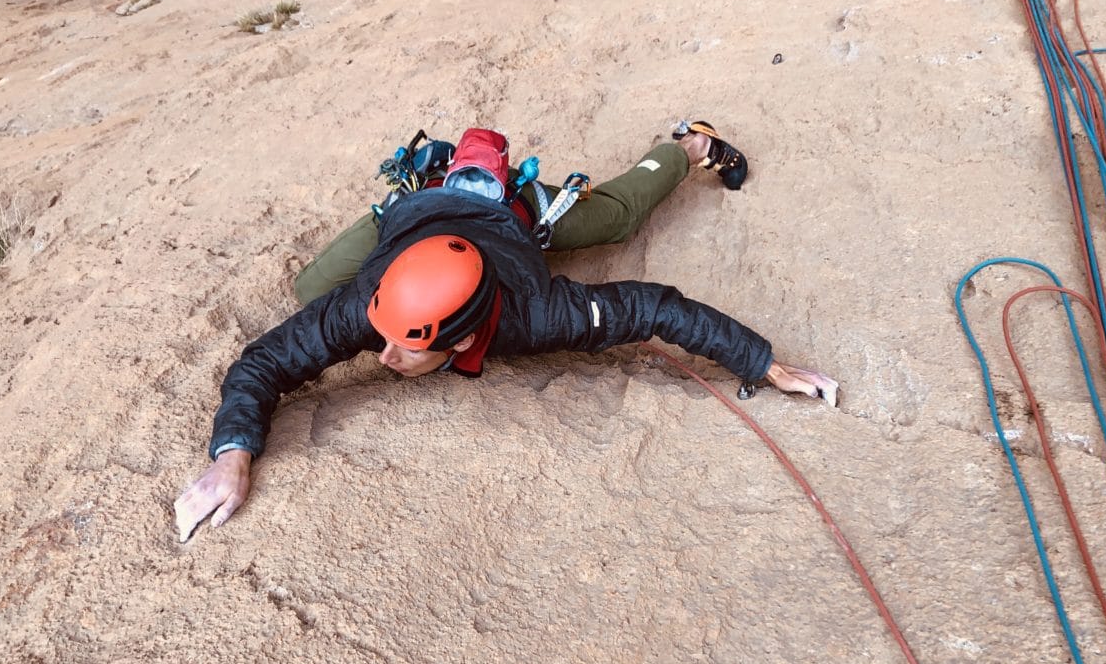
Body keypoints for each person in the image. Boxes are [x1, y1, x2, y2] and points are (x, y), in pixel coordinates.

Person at [174, 121, 838, 543]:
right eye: (386, 336)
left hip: (508, 212)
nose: (382, 355)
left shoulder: (537, 312)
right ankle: (408, 197)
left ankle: (684, 146)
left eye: (409, 345)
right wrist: (233, 454)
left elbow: (655, 309)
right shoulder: (368, 304)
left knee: (614, 219)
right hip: (419, 211)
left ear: (463, 341)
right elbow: (265, 362)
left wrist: (765, 364)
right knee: (310, 293)